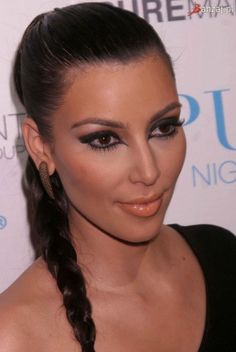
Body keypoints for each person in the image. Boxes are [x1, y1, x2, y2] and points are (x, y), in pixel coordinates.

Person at [0, 2, 235, 351]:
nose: (149, 171)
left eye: (163, 127)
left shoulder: (223, 255)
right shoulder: (13, 337)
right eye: (105, 139)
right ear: (40, 146)